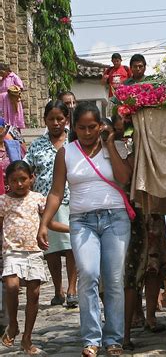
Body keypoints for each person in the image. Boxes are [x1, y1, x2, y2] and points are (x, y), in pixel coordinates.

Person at [37, 102, 132, 357]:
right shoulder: (66, 153)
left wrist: (111, 145)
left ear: (101, 125)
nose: (88, 132)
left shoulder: (116, 148)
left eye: (92, 127)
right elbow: (56, 192)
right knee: (88, 274)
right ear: (73, 127)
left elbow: (124, 179)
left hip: (116, 219)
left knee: (113, 280)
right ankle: (91, 339)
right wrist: (44, 222)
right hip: (82, 222)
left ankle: (114, 339)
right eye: (82, 128)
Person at [24, 101, 78, 308]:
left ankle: (72, 288)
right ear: (45, 120)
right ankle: (58, 290)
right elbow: (26, 170)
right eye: (51, 119)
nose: (55, 123)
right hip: (47, 203)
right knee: (52, 250)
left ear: (66, 119)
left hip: (73, 199)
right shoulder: (37, 145)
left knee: (73, 246)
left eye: (59, 119)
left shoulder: (74, 142)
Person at [0, 161, 49, 355]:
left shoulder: (38, 199)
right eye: (14, 181)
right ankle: (13, 324)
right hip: (11, 251)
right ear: (7, 182)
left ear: (32, 179)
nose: (19, 184)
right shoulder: (3, 201)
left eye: (23, 179)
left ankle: (27, 338)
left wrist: (72, 230)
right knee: (11, 286)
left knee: (34, 294)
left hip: (34, 251)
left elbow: (49, 221)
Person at [0, 63, 25, 129]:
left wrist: (13, 90)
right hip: (2, 101)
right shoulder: (1, 79)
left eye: (2, 72)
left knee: (13, 116)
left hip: (12, 100)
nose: (1, 74)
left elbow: (20, 87)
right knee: (3, 116)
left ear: (6, 70)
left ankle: (15, 129)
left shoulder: (14, 77)